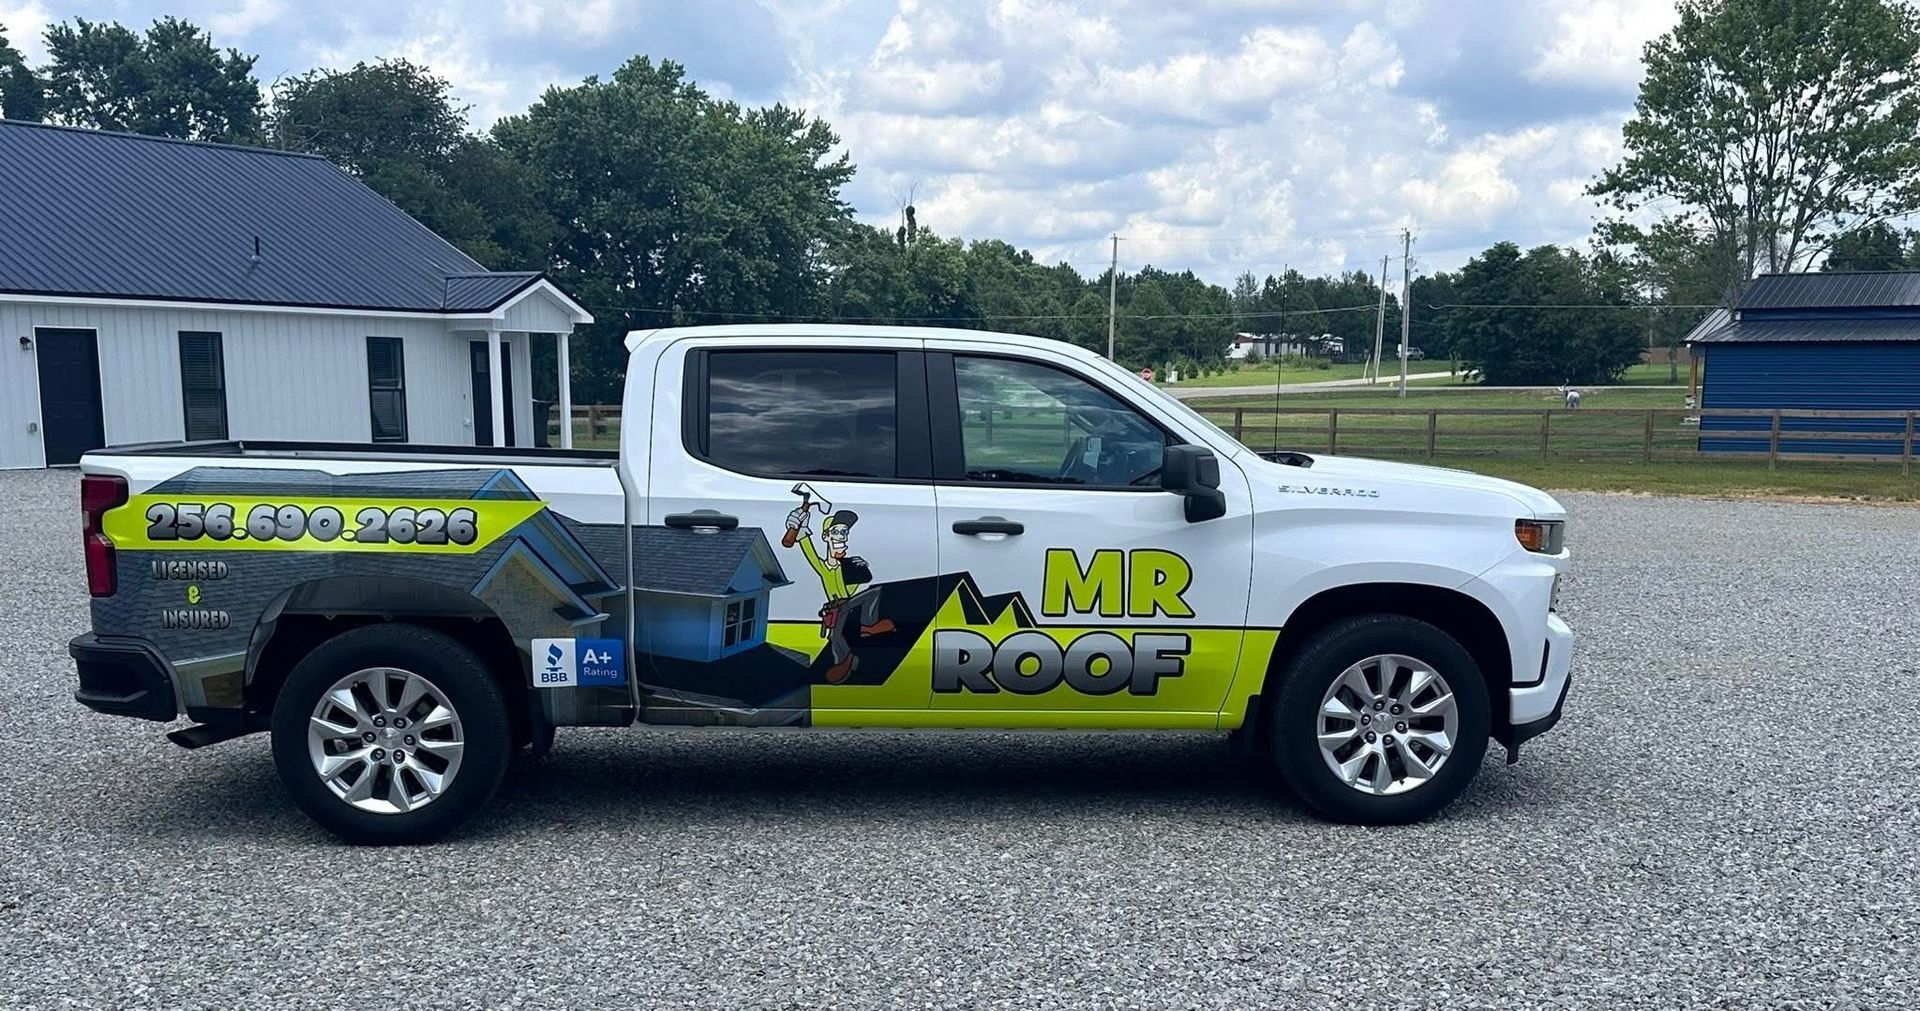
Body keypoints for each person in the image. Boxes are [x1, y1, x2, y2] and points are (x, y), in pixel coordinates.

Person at [784, 507, 894, 683]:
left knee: (874, 592)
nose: (841, 536)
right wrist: (802, 527)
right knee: (834, 637)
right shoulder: (823, 568)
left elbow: (855, 588)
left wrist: (861, 569)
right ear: (825, 536)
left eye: (844, 532)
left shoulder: (846, 567)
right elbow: (809, 549)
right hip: (835, 608)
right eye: (836, 532)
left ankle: (867, 626)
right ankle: (845, 662)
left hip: (848, 604)